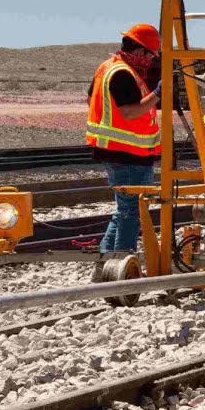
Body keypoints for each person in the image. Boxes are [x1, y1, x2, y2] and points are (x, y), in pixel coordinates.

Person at [86, 23, 163, 253]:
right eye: (150, 56)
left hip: (117, 152)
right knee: (132, 212)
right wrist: (157, 94)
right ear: (139, 51)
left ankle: (106, 261)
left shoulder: (107, 67)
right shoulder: (123, 73)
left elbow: (91, 100)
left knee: (124, 210)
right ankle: (121, 260)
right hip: (129, 154)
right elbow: (129, 112)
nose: (151, 61)